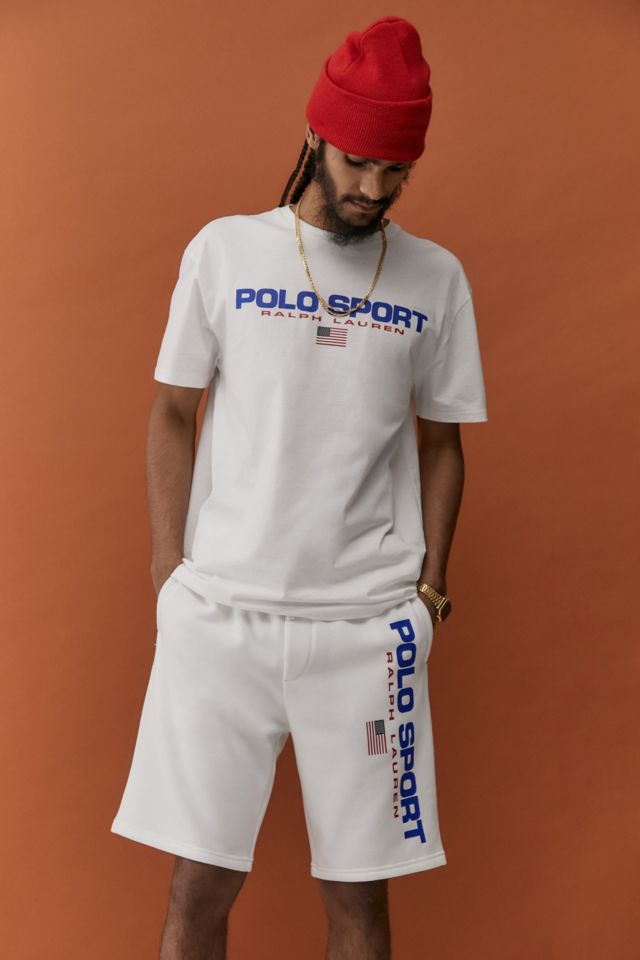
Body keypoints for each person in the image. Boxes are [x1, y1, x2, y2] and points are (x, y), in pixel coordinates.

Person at [110, 15, 488, 960]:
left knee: (359, 899)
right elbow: (172, 411)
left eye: (396, 170)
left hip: (367, 628)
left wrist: (430, 592)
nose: (374, 189)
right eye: (358, 162)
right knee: (200, 884)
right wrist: (169, 572)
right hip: (222, 618)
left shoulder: (436, 278)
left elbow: (442, 443)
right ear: (316, 134)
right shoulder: (226, 252)